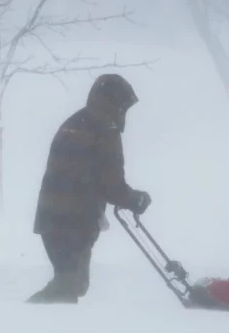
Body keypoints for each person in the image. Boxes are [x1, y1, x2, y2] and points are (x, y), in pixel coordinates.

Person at [26, 73, 151, 304]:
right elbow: (112, 184)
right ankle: (23, 318)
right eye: (123, 105)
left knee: (69, 282)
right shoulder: (105, 129)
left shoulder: (76, 122)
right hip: (75, 221)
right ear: (115, 102)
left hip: (51, 217)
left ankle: (30, 316)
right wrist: (135, 200)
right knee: (69, 285)